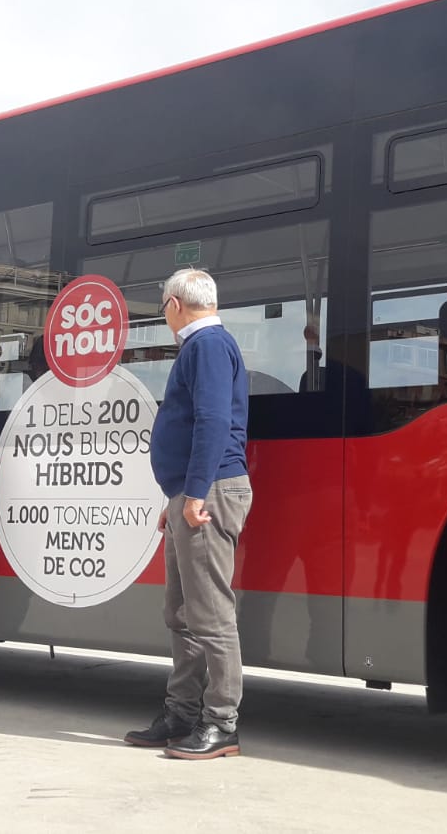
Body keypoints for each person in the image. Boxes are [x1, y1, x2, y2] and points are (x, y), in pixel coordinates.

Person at [124, 268, 253, 760]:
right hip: (191, 493)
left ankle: (222, 723)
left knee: (211, 614)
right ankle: (182, 713)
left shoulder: (208, 346)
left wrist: (195, 493)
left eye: (162, 308)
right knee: (180, 613)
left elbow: (214, 420)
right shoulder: (202, 348)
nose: (165, 316)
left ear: (175, 304)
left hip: (210, 491)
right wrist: (176, 497)